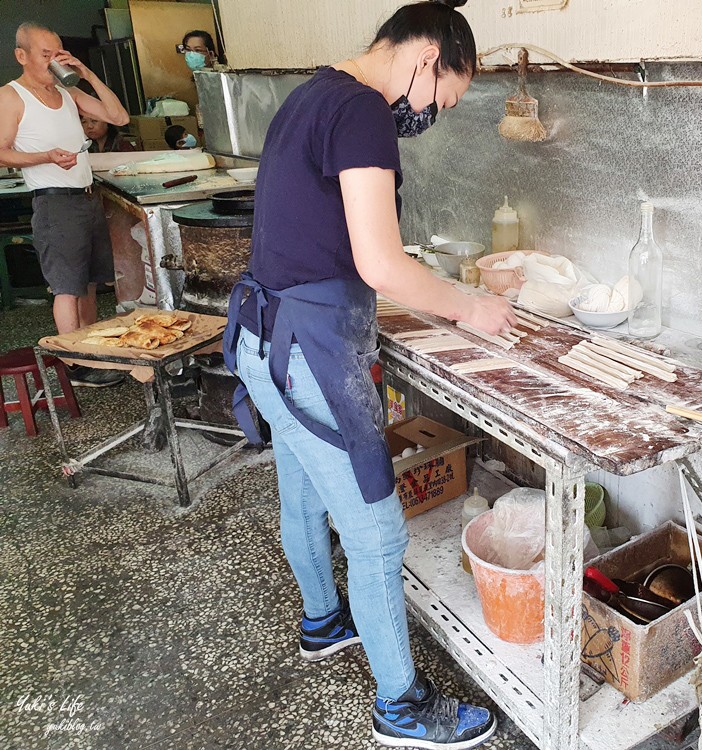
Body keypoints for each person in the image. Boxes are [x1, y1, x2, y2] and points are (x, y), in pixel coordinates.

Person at [223, 1, 516, 747]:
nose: (431, 115)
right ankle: (401, 706)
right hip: (309, 354)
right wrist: (468, 307)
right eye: (441, 98)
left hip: (268, 339)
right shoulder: (362, 112)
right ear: (427, 57)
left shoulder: (312, 94)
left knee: (300, 489)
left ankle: (324, 622)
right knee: (379, 535)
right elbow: (381, 263)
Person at [0, 22, 128, 388]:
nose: (53, 61)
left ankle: (91, 354)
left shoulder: (66, 92)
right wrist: (46, 157)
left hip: (86, 199)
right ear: (21, 56)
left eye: (58, 53)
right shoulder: (11, 96)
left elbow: (117, 117)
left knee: (87, 284)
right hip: (55, 204)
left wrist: (85, 72)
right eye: (45, 55)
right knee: (66, 287)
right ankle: (75, 364)